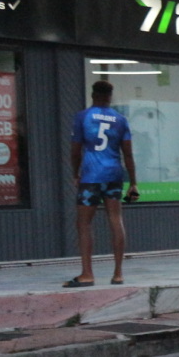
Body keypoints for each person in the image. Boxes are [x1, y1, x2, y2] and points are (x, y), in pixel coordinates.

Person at [66, 80, 138, 287]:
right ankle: (118, 273)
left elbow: (75, 150)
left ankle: (87, 273)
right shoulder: (121, 120)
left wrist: (75, 173)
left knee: (84, 223)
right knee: (116, 219)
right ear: (110, 97)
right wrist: (133, 182)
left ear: (92, 95)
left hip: (90, 176)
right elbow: (128, 154)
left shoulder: (82, 117)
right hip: (114, 175)